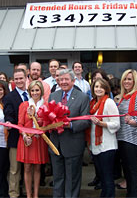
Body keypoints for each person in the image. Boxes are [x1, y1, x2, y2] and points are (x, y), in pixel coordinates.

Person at [48, 69, 91, 198]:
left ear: (73, 81)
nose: (64, 82)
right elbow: (48, 116)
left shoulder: (82, 97)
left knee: (72, 180)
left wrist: (70, 125)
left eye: (66, 79)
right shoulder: (53, 96)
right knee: (58, 178)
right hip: (55, 144)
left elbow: (86, 120)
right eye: (61, 80)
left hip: (73, 144)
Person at [86, 78, 120, 197]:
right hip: (95, 146)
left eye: (101, 87)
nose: (98, 89)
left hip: (107, 146)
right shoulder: (92, 103)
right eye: (96, 87)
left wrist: (101, 124)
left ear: (106, 89)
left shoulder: (109, 102)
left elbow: (116, 124)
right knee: (101, 176)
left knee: (107, 177)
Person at [116, 69, 137, 197]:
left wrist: (132, 121)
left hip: (134, 140)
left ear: (135, 81)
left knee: (133, 172)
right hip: (123, 138)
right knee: (127, 172)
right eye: (125, 79)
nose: (126, 81)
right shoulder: (124, 97)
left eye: (129, 79)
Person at [17, 80, 49, 198]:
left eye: (37, 90)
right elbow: (20, 124)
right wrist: (25, 136)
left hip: (39, 139)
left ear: (41, 91)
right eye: (32, 90)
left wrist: (36, 116)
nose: (35, 93)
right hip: (27, 140)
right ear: (29, 92)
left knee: (37, 167)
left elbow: (47, 124)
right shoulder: (24, 105)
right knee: (27, 167)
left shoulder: (45, 106)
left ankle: (36, 195)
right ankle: (28, 195)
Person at [3, 69, 28, 198]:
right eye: (16, 79)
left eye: (21, 78)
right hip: (15, 138)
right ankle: (13, 193)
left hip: (30, 139)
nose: (19, 81)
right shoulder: (9, 97)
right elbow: (8, 114)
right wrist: (9, 122)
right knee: (15, 169)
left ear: (26, 78)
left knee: (28, 168)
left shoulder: (32, 94)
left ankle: (26, 191)